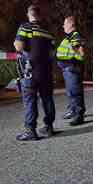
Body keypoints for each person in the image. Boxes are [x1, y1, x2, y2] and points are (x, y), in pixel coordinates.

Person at [14, 5, 56, 141]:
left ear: (28, 14)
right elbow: (53, 52)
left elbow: (19, 46)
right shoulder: (48, 31)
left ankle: (31, 131)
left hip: (30, 70)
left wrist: (18, 45)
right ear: (40, 15)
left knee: (30, 100)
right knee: (47, 98)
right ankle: (49, 127)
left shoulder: (25, 27)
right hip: (46, 70)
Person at [56, 16, 86, 125]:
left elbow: (81, 52)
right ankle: (72, 110)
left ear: (71, 25)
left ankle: (79, 115)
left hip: (73, 68)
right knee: (70, 92)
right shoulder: (69, 37)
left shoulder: (75, 35)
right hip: (68, 69)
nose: (63, 26)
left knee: (75, 92)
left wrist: (75, 52)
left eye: (65, 24)